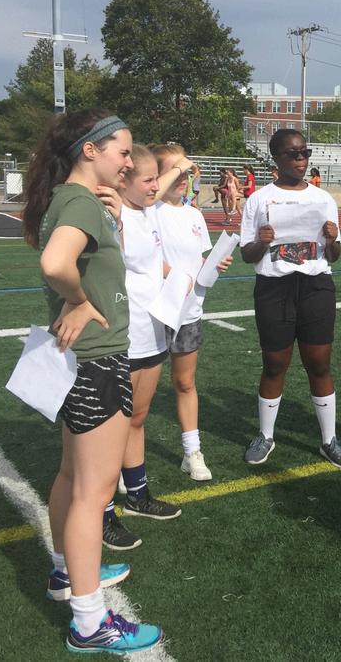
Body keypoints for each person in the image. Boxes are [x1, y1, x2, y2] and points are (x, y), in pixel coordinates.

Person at [21, 109, 163, 654]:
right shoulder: (79, 202)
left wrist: (115, 225)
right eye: (123, 151)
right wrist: (80, 301)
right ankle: (89, 623)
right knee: (92, 494)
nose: (129, 161)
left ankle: (66, 571)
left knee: (70, 477)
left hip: (78, 362)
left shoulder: (74, 199)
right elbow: (56, 263)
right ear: (90, 150)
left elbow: (86, 261)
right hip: (97, 361)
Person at [100, 144, 195, 552]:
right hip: (122, 335)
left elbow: (152, 262)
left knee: (137, 419)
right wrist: (115, 221)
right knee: (110, 430)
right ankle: (102, 510)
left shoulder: (149, 210)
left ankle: (137, 495)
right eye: (148, 180)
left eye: (158, 178)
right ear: (123, 182)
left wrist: (178, 276)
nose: (157, 186)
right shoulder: (113, 216)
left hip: (153, 331)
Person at [240, 129, 341, 469]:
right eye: (293, 153)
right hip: (274, 288)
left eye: (305, 152)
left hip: (315, 286)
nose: (301, 159)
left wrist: (332, 239)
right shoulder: (259, 199)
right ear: (276, 158)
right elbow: (247, 254)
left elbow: (333, 255)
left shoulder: (323, 198)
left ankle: (329, 439)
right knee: (275, 364)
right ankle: (266, 435)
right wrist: (262, 242)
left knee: (319, 364)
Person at [152, 142, 232, 482]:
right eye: (176, 170)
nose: (183, 177)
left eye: (186, 171)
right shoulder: (147, 211)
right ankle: (124, 461)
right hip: (152, 313)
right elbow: (144, 258)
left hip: (189, 311)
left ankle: (191, 452)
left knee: (185, 383)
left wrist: (214, 264)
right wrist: (174, 276)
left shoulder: (193, 214)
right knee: (137, 393)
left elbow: (198, 259)